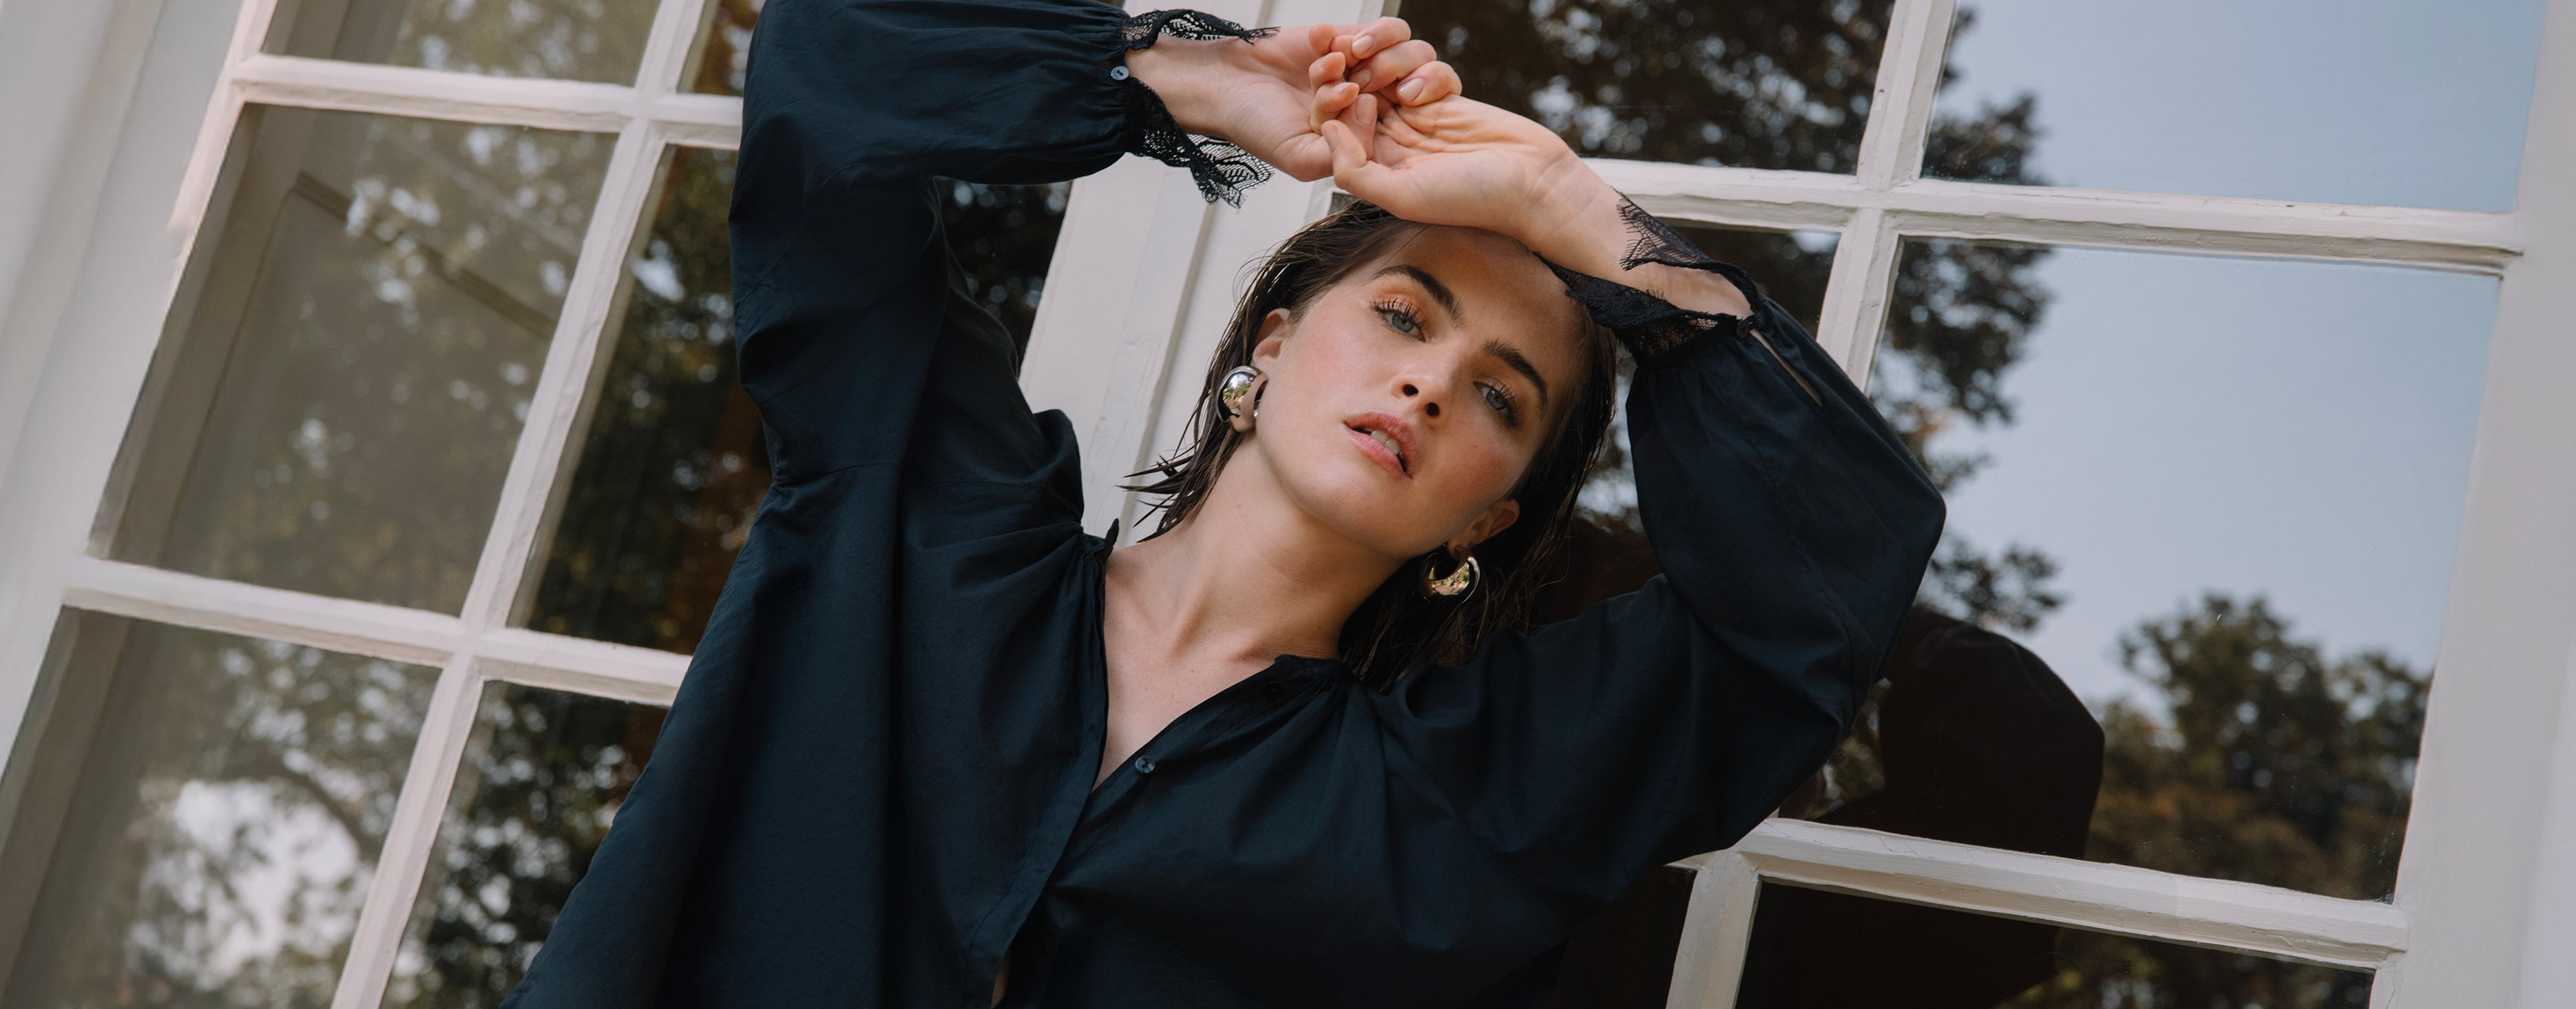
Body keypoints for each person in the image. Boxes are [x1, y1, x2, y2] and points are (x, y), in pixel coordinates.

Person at [502, 1, 1944, 1006]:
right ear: (1273, 340)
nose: (1432, 383)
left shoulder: (1471, 806)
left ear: (1486, 520)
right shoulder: (926, 522)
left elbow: (1811, 604)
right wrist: (1197, 81)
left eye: (1504, 399)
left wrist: (1569, 207)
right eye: (1404, 313)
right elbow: (829, 70)